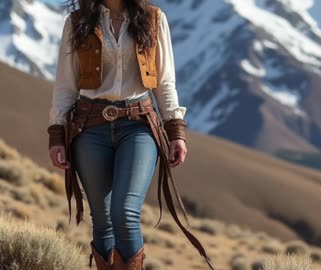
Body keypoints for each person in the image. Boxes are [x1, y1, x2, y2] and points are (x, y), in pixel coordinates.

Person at [46, 0, 214, 269]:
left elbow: (164, 81)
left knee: (124, 212)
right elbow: (65, 85)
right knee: (102, 219)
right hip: (88, 127)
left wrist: (175, 130)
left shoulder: (154, 19)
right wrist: (57, 134)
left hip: (138, 125)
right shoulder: (77, 22)